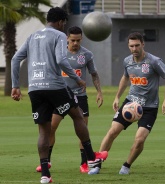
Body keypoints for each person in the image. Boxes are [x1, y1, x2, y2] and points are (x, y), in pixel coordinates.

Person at [11, 7, 106, 184]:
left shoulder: (32, 36)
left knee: (43, 131)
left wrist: (15, 86)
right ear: (61, 22)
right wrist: (77, 79)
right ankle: (91, 157)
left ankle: (45, 175)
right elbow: (61, 60)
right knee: (77, 116)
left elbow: (15, 59)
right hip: (54, 86)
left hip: (34, 88)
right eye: (64, 23)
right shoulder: (59, 36)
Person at [88, 32, 165, 175]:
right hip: (130, 104)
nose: (134, 49)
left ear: (143, 44)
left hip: (149, 108)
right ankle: (97, 165)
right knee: (112, 131)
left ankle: (126, 166)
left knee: (139, 139)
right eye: (131, 46)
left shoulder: (154, 61)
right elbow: (125, 77)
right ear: (128, 46)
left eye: (137, 45)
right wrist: (117, 97)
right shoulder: (127, 61)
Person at [35, 26, 106, 174]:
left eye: (78, 40)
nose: (75, 43)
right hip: (59, 96)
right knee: (51, 128)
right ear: (67, 38)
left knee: (83, 130)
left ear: (82, 39)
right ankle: (46, 162)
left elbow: (94, 74)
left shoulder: (86, 54)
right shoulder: (58, 52)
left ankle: (84, 164)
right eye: (72, 40)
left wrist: (99, 92)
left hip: (79, 96)